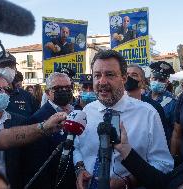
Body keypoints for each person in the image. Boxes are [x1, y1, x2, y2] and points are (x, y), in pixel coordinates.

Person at [73, 50, 173, 189]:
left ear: (124, 78)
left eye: (109, 75)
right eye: (97, 75)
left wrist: (127, 182)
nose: (102, 81)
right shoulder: (86, 112)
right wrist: (80, 169)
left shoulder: (148, 114)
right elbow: (77, 147)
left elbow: (163, 165)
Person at [24, 72, 76, 189]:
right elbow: (38, 164)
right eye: (58, 88)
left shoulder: (77, 111)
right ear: (47, 93)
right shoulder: (38, 119)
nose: (64, 90)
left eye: (68, 87)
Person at [125, 64, 169, 144]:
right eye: (127, 74)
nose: (129, 77)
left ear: (142, 82)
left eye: (134, 75)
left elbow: (161, 140)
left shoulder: (154, 107)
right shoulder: (114, 104)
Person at [0, 51, 39, 117]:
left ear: (15, 70)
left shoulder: (27, 97)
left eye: (10, 66)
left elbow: (36, 121)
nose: (7, 69)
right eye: (2, 66)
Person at [146, 61, 176, 145]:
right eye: (155, 79)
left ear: (167, 82)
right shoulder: (142, 98)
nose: (157, 82)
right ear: (150, 79)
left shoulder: (172, 102)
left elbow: (176, 130)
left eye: (161, 80)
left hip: (162, 146)